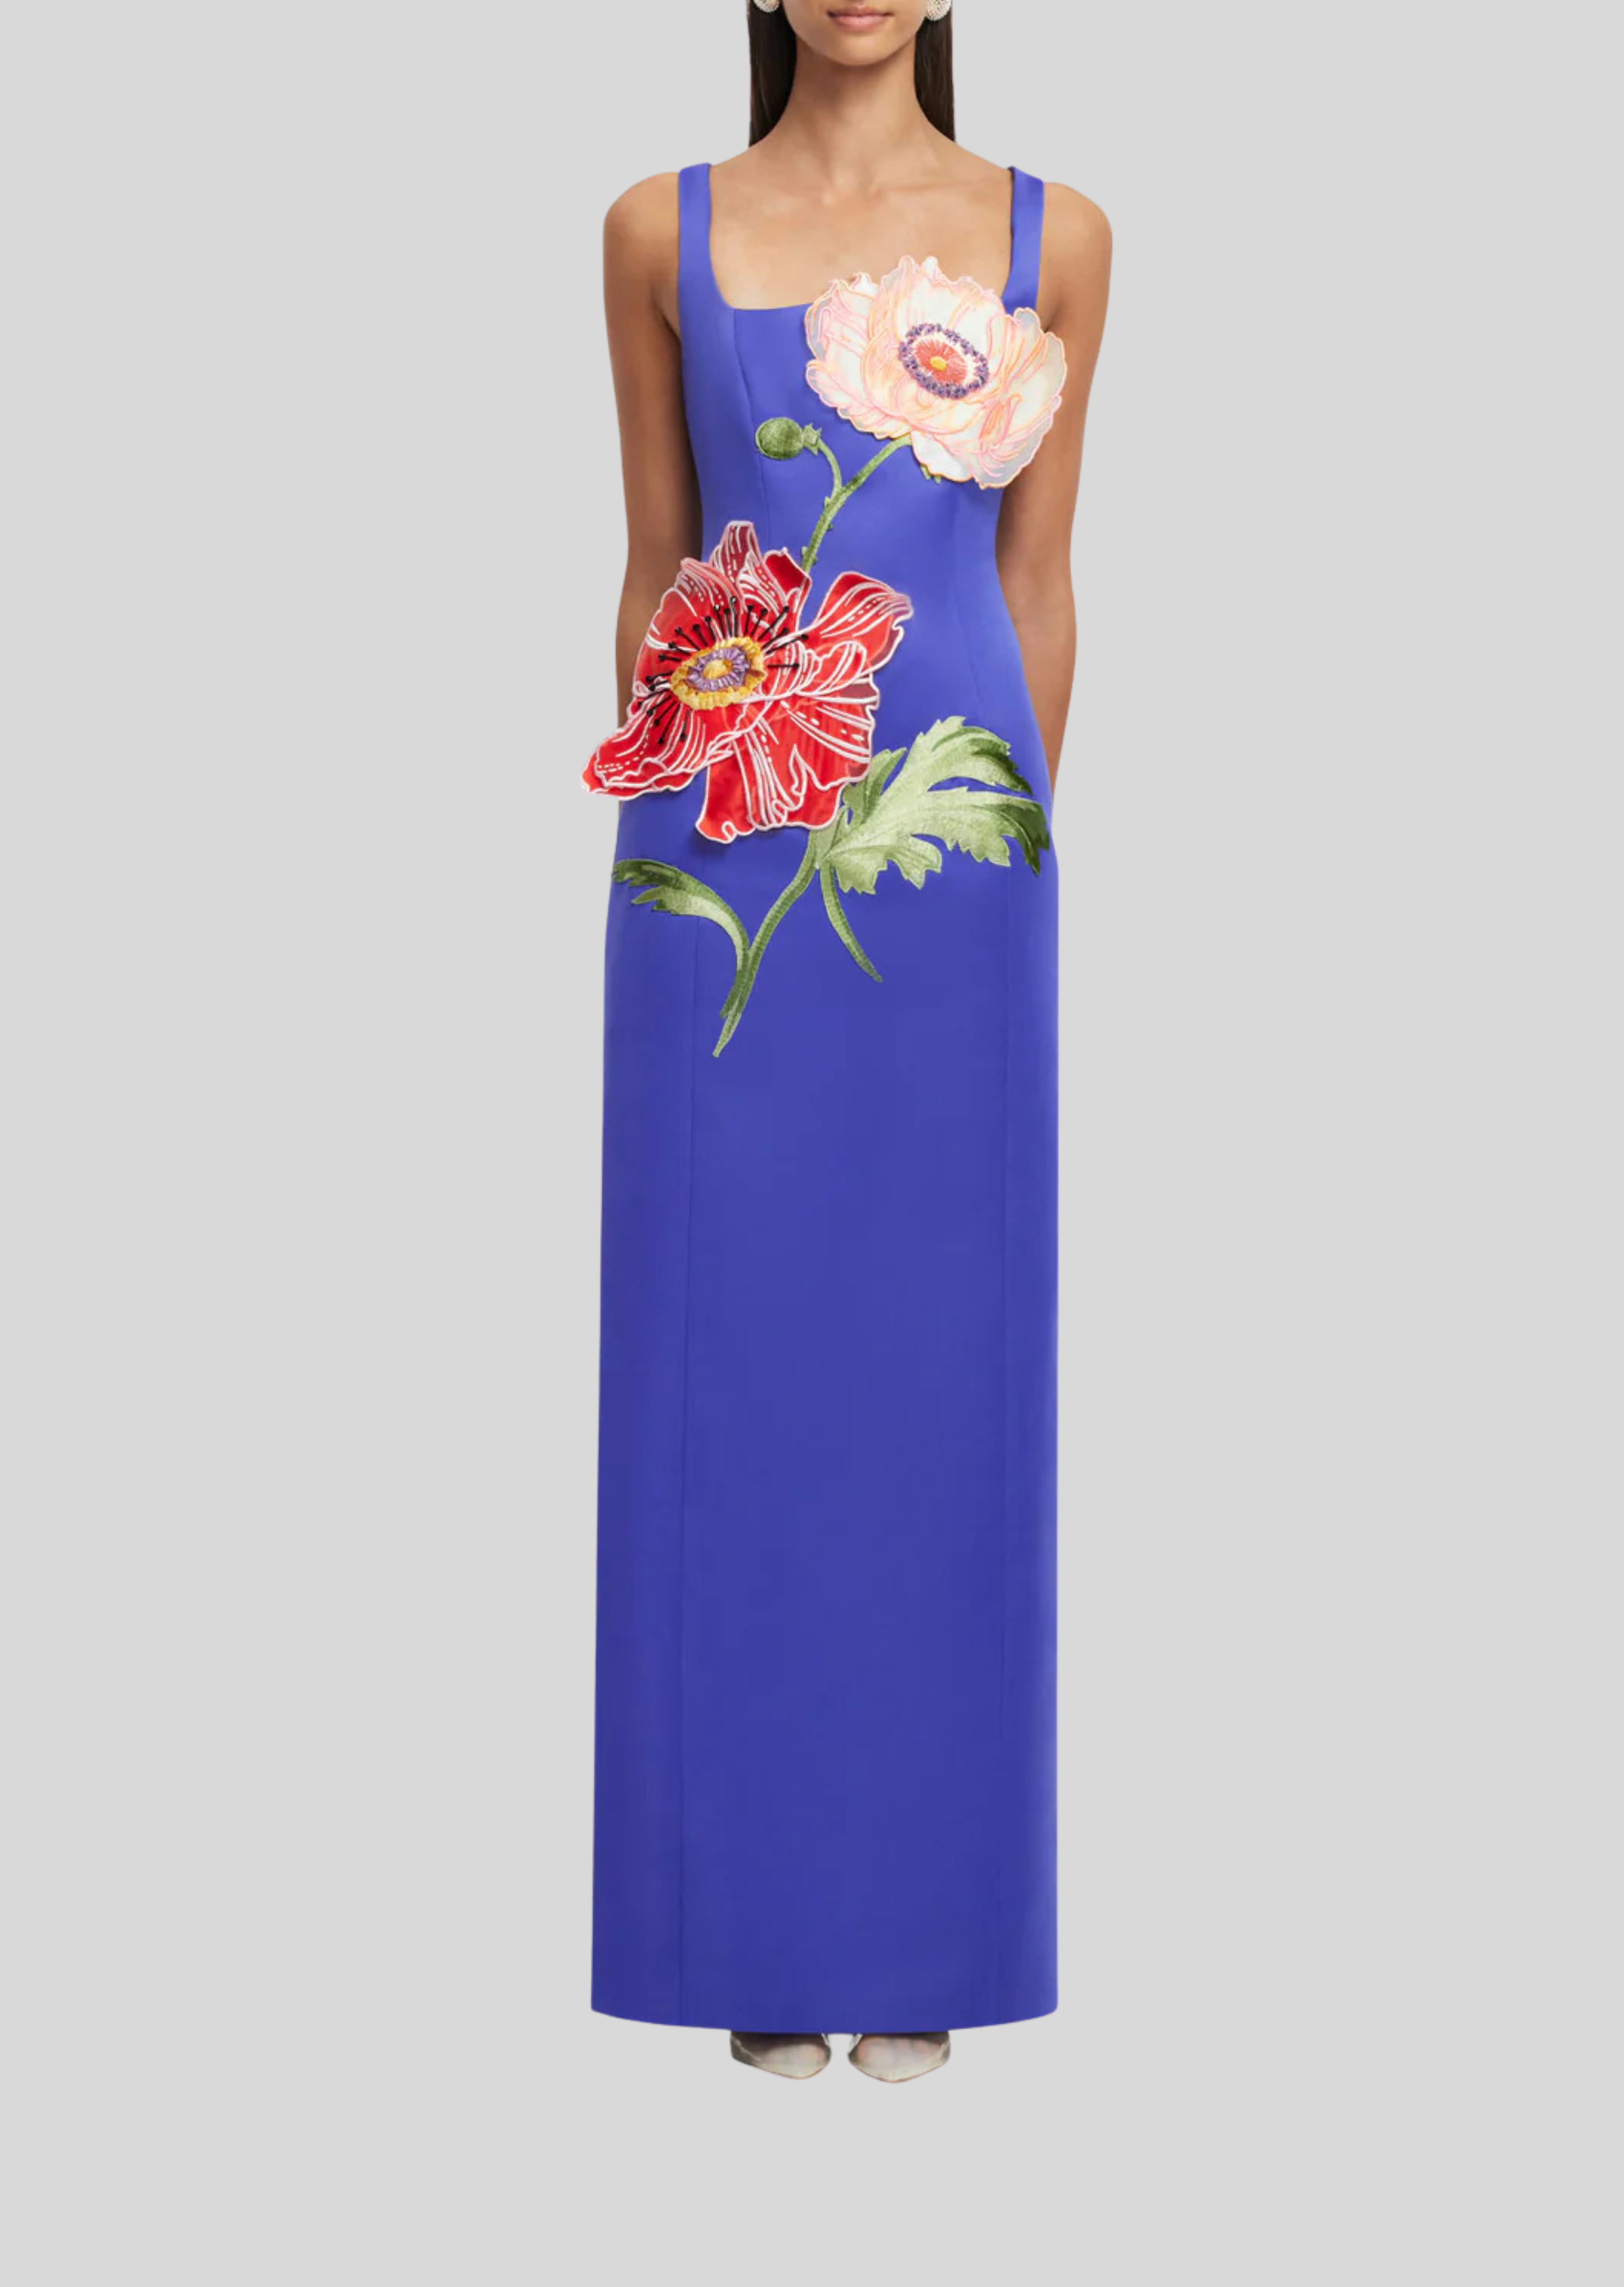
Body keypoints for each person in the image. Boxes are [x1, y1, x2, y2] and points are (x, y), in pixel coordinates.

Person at [582, 0, 1111, 2082]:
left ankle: (930, 1938)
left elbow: (1038, 581)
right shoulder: (658, 229)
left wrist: (1008, 844)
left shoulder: (1056, 237)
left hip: (953, 862)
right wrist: (667, 830)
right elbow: (654, 565)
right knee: (728, 1372)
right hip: (719, 849)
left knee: (941, 1379)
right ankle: (745, 1930)